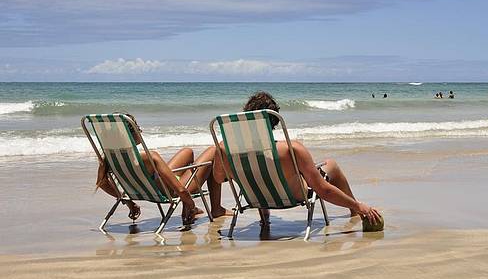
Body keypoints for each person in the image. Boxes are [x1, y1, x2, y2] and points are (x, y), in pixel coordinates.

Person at [201, 92, 382, 225]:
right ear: (275, 121)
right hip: (293, 196)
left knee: (260, 175)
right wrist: (360, 205)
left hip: (256, 198)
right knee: (330, 165)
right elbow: (323, 190)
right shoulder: (290, 149)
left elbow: (217, 178)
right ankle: (354, 212)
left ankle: (265, 221)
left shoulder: (225, 149)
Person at [95, 113, 230, 225]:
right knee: (214, 152)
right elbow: (181, 190)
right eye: (137, 128)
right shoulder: (150, 157)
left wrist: (128, 201)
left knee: (187, 151)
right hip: (171, 191)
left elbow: (102, 183)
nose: (140, 131)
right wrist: (191, 206)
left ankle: (216, 207)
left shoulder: (109, 159)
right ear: (130, 135)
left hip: (157, 185)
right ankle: (216, 209)